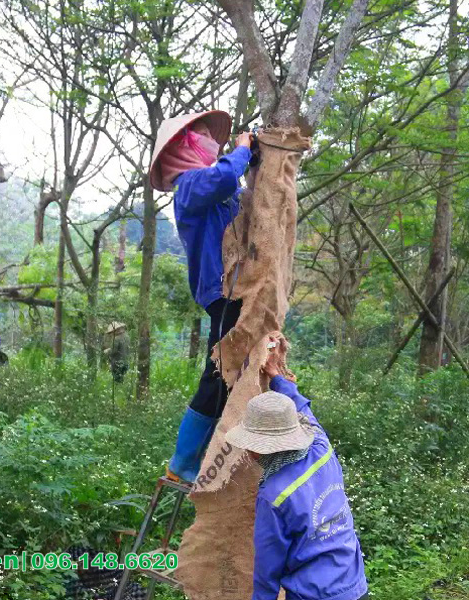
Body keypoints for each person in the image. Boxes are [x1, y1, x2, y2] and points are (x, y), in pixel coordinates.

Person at [148, 110, 254, 483]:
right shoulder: (190, 185)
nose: (215, 142)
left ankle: (210, 458)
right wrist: (242, 151)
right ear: (186, 145)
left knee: (232, 376)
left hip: (235, 290)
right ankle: (183, 463)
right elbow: (225, 177)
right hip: (221, 291)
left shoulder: (211, 189)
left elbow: (241, 198)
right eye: (205, 136)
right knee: (217, 373)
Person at [224, 338, 369, 600]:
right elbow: (302, 407)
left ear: (262, 448)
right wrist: (276, 375)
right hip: (354, 584)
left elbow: (267, 572)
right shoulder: (320, 447)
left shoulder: (274, 495)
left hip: (314, 594)